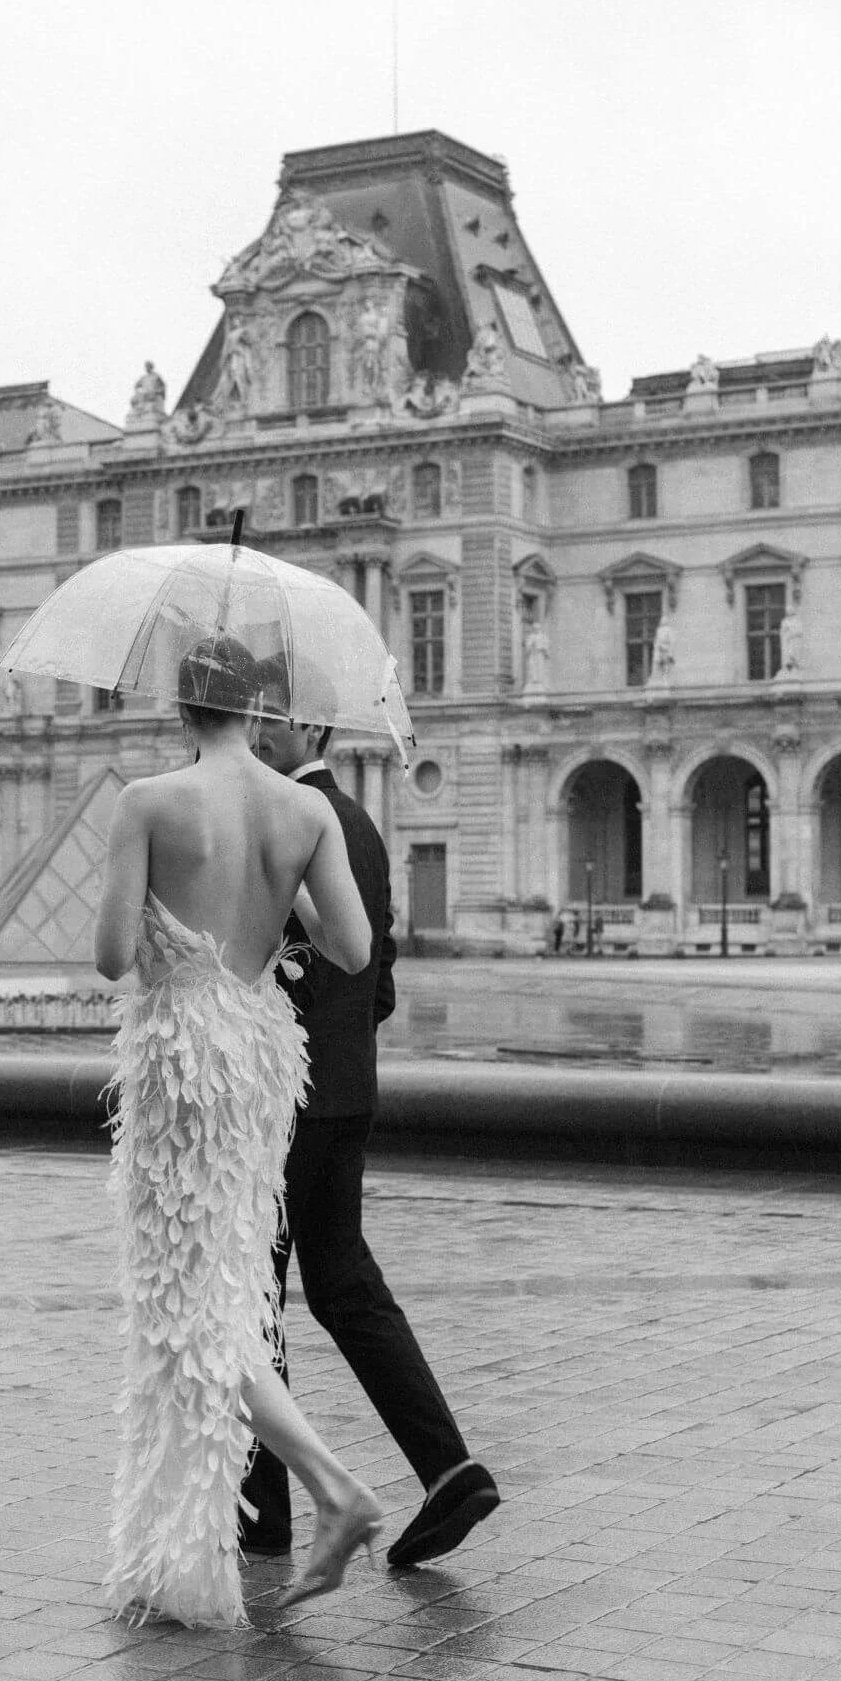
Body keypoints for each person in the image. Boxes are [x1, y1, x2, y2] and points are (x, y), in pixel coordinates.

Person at [94, 634, 381, 1628]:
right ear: (259, 709)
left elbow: (110, 955)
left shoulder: (148, 802)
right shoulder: (306, 810)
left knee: (186, 1304)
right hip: (259, 1055)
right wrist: (276, 894)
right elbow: (351, 948)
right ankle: (203, 1539)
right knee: (221, 1286)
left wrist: (169, 917)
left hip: (184, 1057)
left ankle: (336, 1487)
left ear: (180, 707)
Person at [242, 686, 499, 1571]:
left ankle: (262, 1510)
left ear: (314, 723)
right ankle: (449, 1470)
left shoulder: (287, 816)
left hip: (283, 1098)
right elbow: (377, 975)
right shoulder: (360, 821)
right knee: (344, 1286)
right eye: (250, 717)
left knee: (251, 1296)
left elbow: (292, 970)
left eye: (272, 717)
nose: (256, 732)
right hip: (348, 1090)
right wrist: (342, 1048)